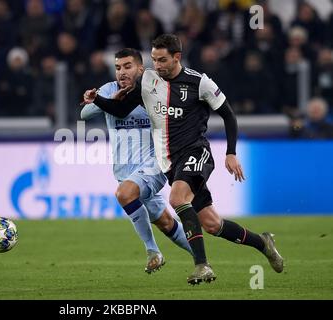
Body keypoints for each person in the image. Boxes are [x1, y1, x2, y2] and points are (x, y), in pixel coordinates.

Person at [83, 34, 284, 285]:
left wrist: (231, 152)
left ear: (177, 57)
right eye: (154, 60)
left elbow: (228, 115)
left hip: (196, 152)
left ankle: (202, 266)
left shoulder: (199, 82)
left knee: (177, 198)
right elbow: (121, 110)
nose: (157, 65)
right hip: (171, 162)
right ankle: (262, 243)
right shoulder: (148, 81)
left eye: (163, 60)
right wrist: (98, 100)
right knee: (212, 224)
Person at [81, 48, 193, 274]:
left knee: (124, 194)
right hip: (125, 170)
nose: (122, 72)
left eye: (128, 66)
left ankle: (153, 251)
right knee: (165, 223)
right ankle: (201, 257)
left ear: (141, 69)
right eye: (118, 67)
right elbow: (85, 114)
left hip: (154, 164)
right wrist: (104, 101)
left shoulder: (152, 91)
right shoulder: (109, 89)